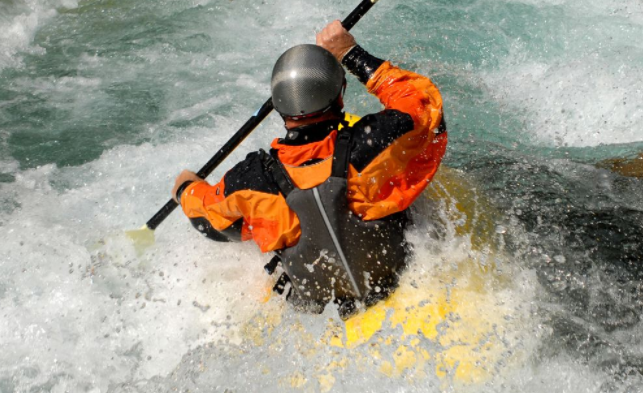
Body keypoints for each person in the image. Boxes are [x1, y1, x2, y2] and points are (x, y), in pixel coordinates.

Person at [170, 20, 446, 317]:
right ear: (339, 95)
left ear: (279, 107)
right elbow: (424, 107)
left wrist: (186, 188)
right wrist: (350, 53)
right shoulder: (371, 146)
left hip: (323, 322)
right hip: (401, 286)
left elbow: (209, 223)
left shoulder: (252, 181)